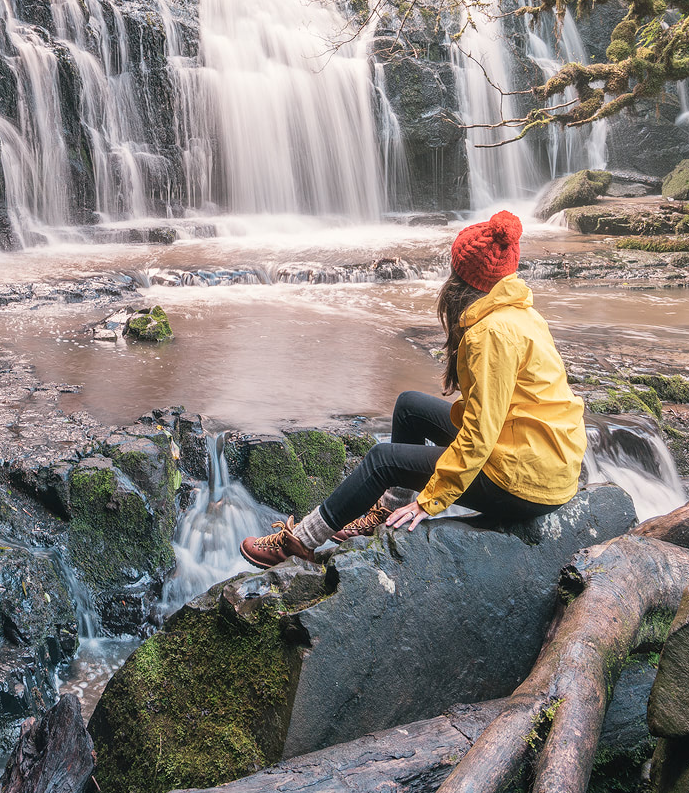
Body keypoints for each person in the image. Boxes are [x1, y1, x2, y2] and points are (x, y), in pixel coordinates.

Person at [240, 210, 587, 569]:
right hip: (539, 455)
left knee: (382, 460)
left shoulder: (491, 334)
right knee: (409, 406)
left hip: (525, 482)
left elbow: (481, 435)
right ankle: (383, 515)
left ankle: (300, 543)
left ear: (460, 279)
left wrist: (428, 501)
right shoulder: (518, 311)